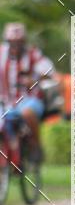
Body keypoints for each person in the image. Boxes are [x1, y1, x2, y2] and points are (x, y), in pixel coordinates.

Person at [0, 23, 55, 162]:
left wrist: (36, 78)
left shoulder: (32, 54)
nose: (15, 46)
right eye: (12, 42)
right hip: (4, 101)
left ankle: (36, 146)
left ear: (24, 42)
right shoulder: (1, 53)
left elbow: (49, 71)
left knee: (28, 113)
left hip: (29, 99)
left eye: (19, 42)